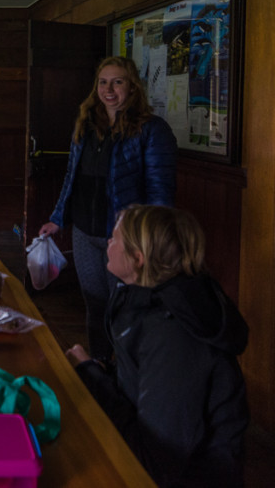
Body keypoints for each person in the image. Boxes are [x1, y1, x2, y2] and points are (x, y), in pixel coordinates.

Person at [66, 204, 249, 488]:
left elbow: (154, 462)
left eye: (114, 238)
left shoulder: (174, 334)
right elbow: (143, 383)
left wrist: (92, 375)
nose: (108, 244)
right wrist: (105, 371)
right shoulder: (147, 300)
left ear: (137, 259)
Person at [38, 55, 177, 361]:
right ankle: (97, 368)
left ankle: (128, 379)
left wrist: (149, 241)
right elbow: (72, 177)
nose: (109, 89)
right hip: (85, 233)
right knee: (95, 305)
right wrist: (58, 218)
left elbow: (160, 194)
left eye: (118, 82)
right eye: (103, 82)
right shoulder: (86, 124)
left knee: (126, 309)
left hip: (126, 239)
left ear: (133, 87)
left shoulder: (152, 130)